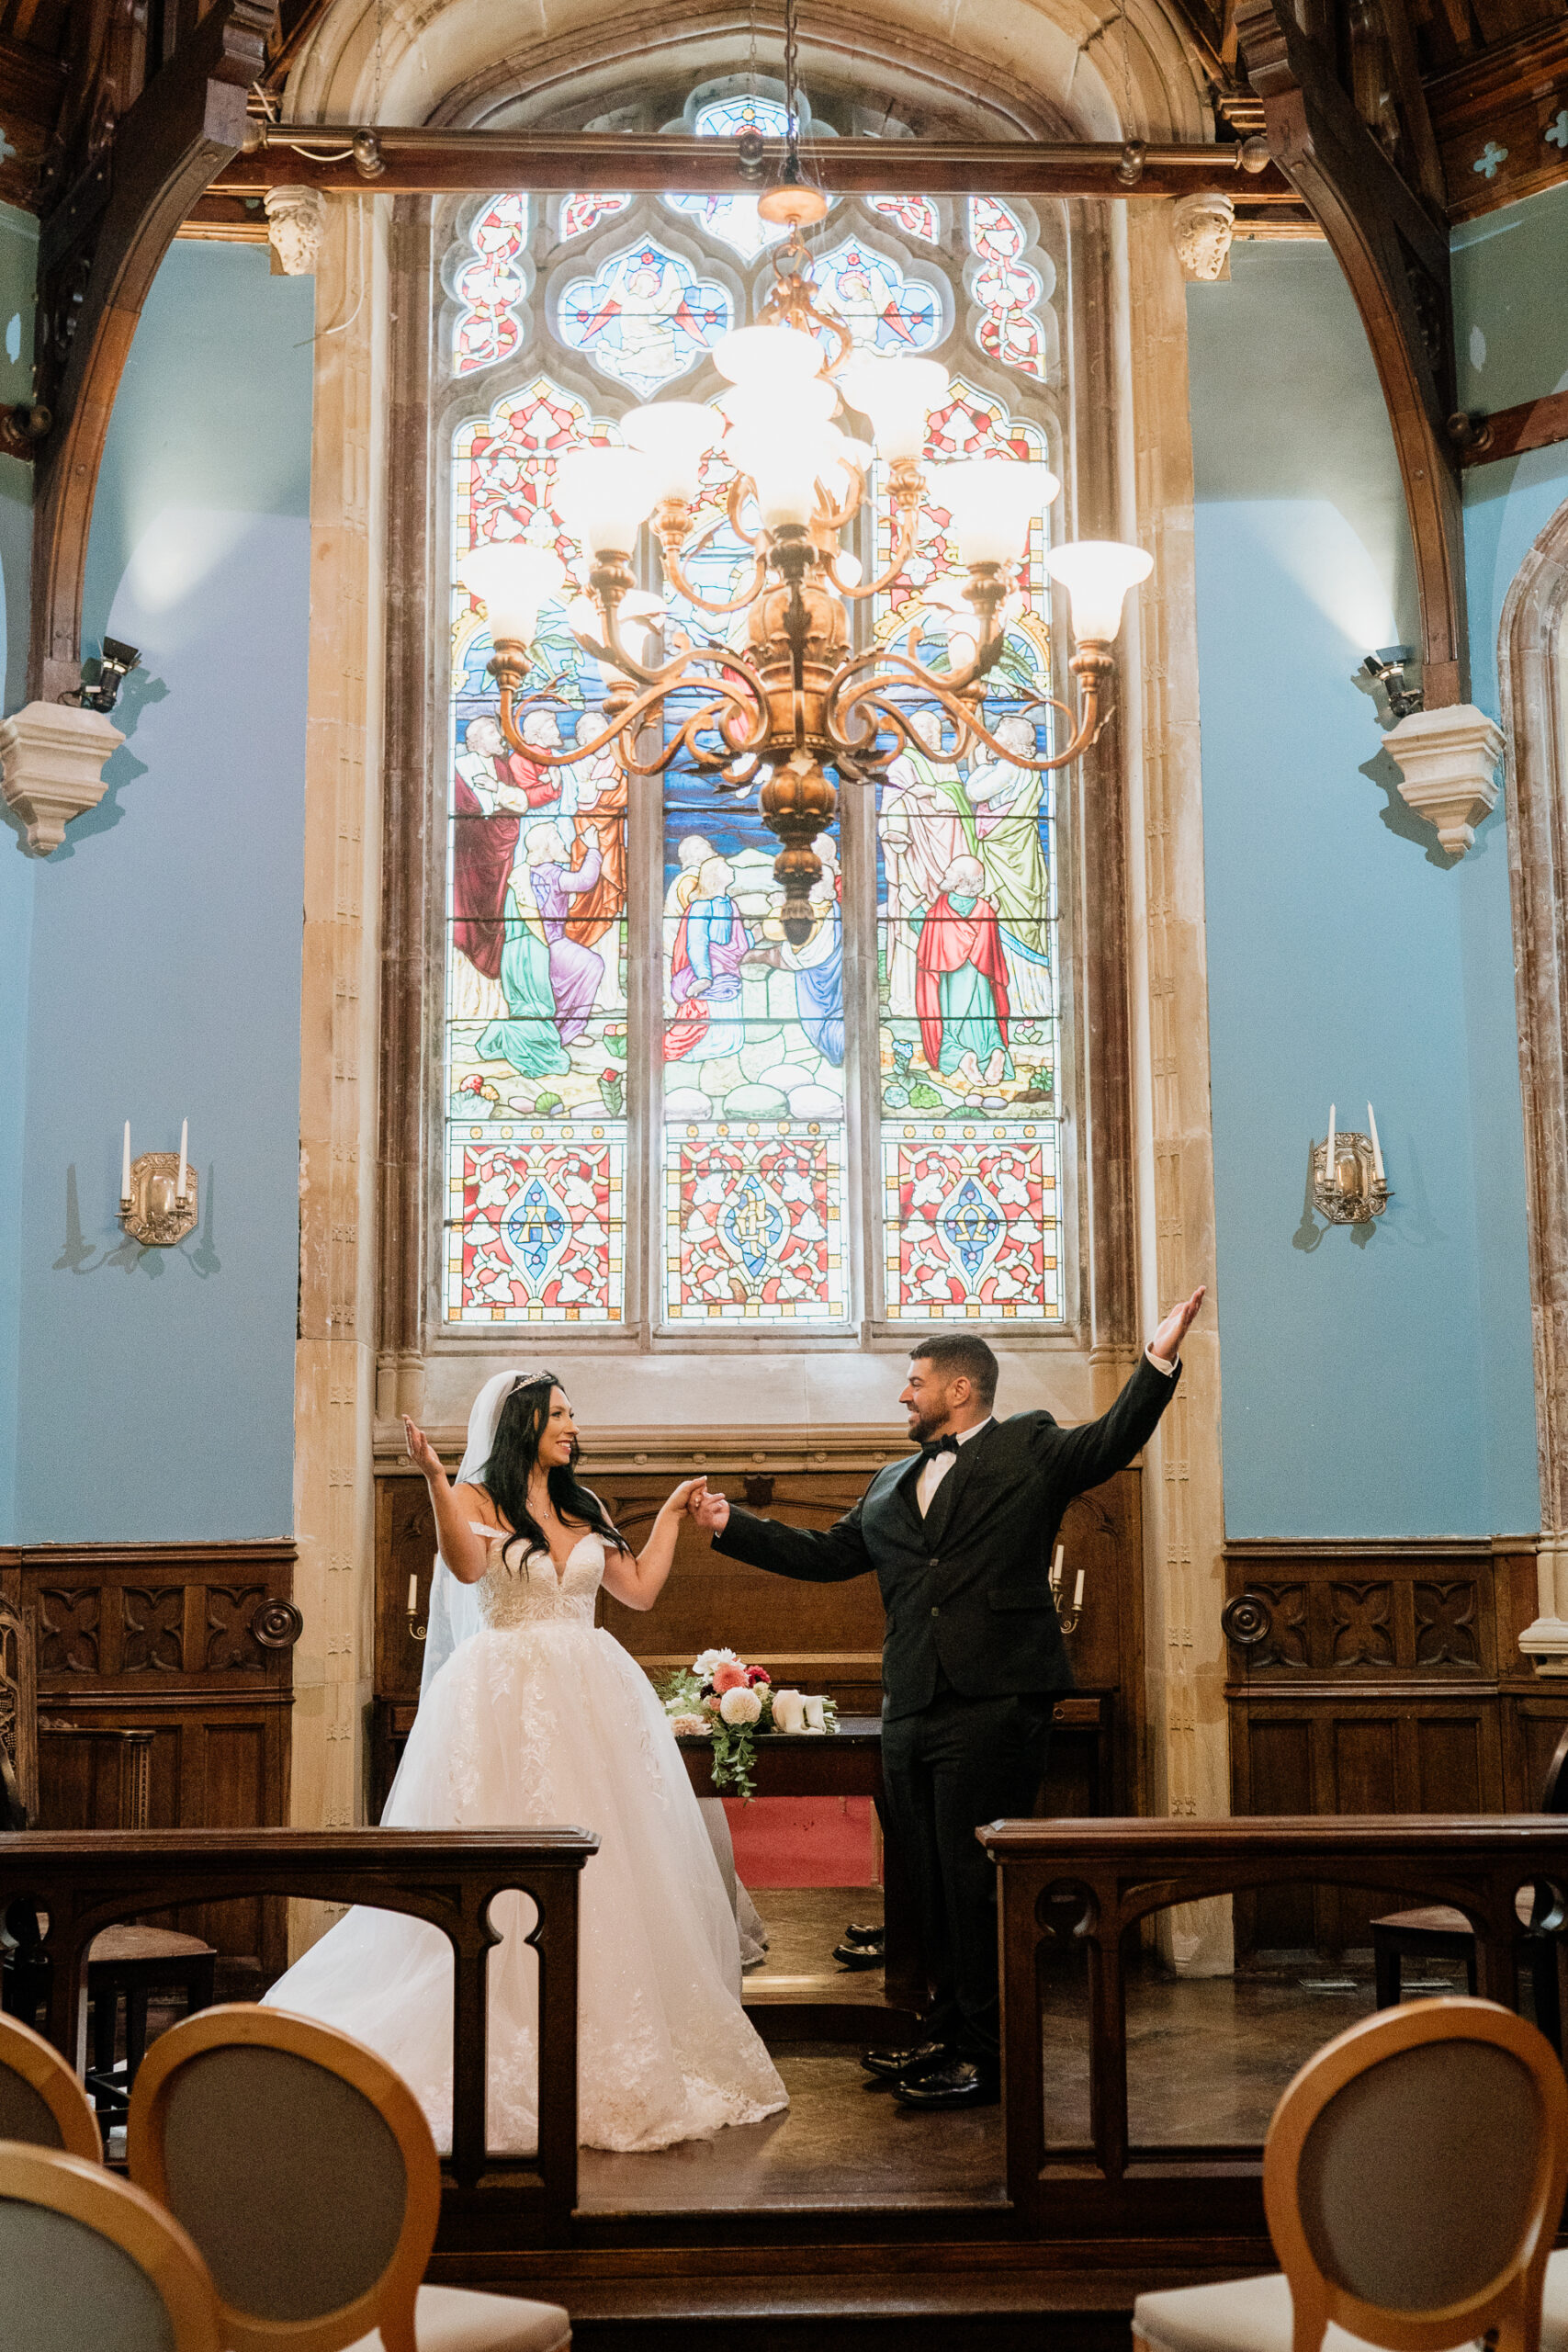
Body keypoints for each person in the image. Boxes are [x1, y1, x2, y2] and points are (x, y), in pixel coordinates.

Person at [687, 1294, 1204, 2109]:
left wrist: (1157, 1359)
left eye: (914, 1381)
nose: (903, 1394)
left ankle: (987, 2055)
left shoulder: (1028, 1447)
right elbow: (828, 1556)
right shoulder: (892, 1481)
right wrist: (732, 1524)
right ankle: (941, 2034)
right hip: (914, 1700)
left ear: (959, 1390)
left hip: (996, 1700)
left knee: (975, 1882)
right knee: (924, 1881)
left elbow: (1111, 1442)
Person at [265, 1372, 786, 2154]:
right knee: (507, 1848)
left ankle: (609, 2031)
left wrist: (674, 1515)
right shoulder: (477, 1499)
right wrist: (437, 1480)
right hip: (502, 1699)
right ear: (522, 1424)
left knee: (611, 1861)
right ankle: (496, 2022)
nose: (573, 1426)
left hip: (593, 1697)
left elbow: (638, 1591)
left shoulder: (584, 1506)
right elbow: (468, 1571)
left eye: (574, 1413)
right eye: (560, 1415)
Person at [964, 713, 1055, 1022]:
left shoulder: (1008, 767)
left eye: (999, 733)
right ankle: (1026, 1003)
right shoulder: (1025, 769)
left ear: (1013, 743)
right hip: (1022, 856)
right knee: (1020, 924)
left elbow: (973, 793)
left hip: (1007, 858)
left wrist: (980, 764)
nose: (993, 736)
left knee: (1006, 923)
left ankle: (1019, 1004)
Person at [914, 854, 1012, 1087]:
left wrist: (914, 911)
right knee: (987, 1020)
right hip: (980, 981)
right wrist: (992, 911)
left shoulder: (942, 908)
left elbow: (928, 935)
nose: (945, 871)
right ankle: (996, 1051)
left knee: (949, 1025)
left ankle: (962, 1056)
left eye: (950, 869)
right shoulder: (985, 908)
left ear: (959, 882)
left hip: (950, 982)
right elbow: (987, 946)